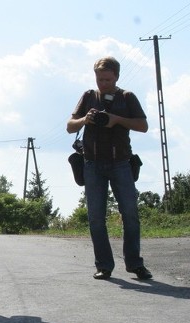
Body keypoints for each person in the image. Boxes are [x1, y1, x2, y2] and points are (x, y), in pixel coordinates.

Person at [66, 56, 152, 280]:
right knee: (95, 217)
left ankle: (135, 264)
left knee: (130, 215)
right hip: (92, 164)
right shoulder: (88, 96)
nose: (102, 83)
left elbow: (143, 125)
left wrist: (116, 119)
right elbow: (69, 126)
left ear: (116, 77)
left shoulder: (127, 97)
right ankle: (104, 266)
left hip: (121, 163)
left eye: (107, 79)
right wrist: (85, 119)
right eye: (99, 78)